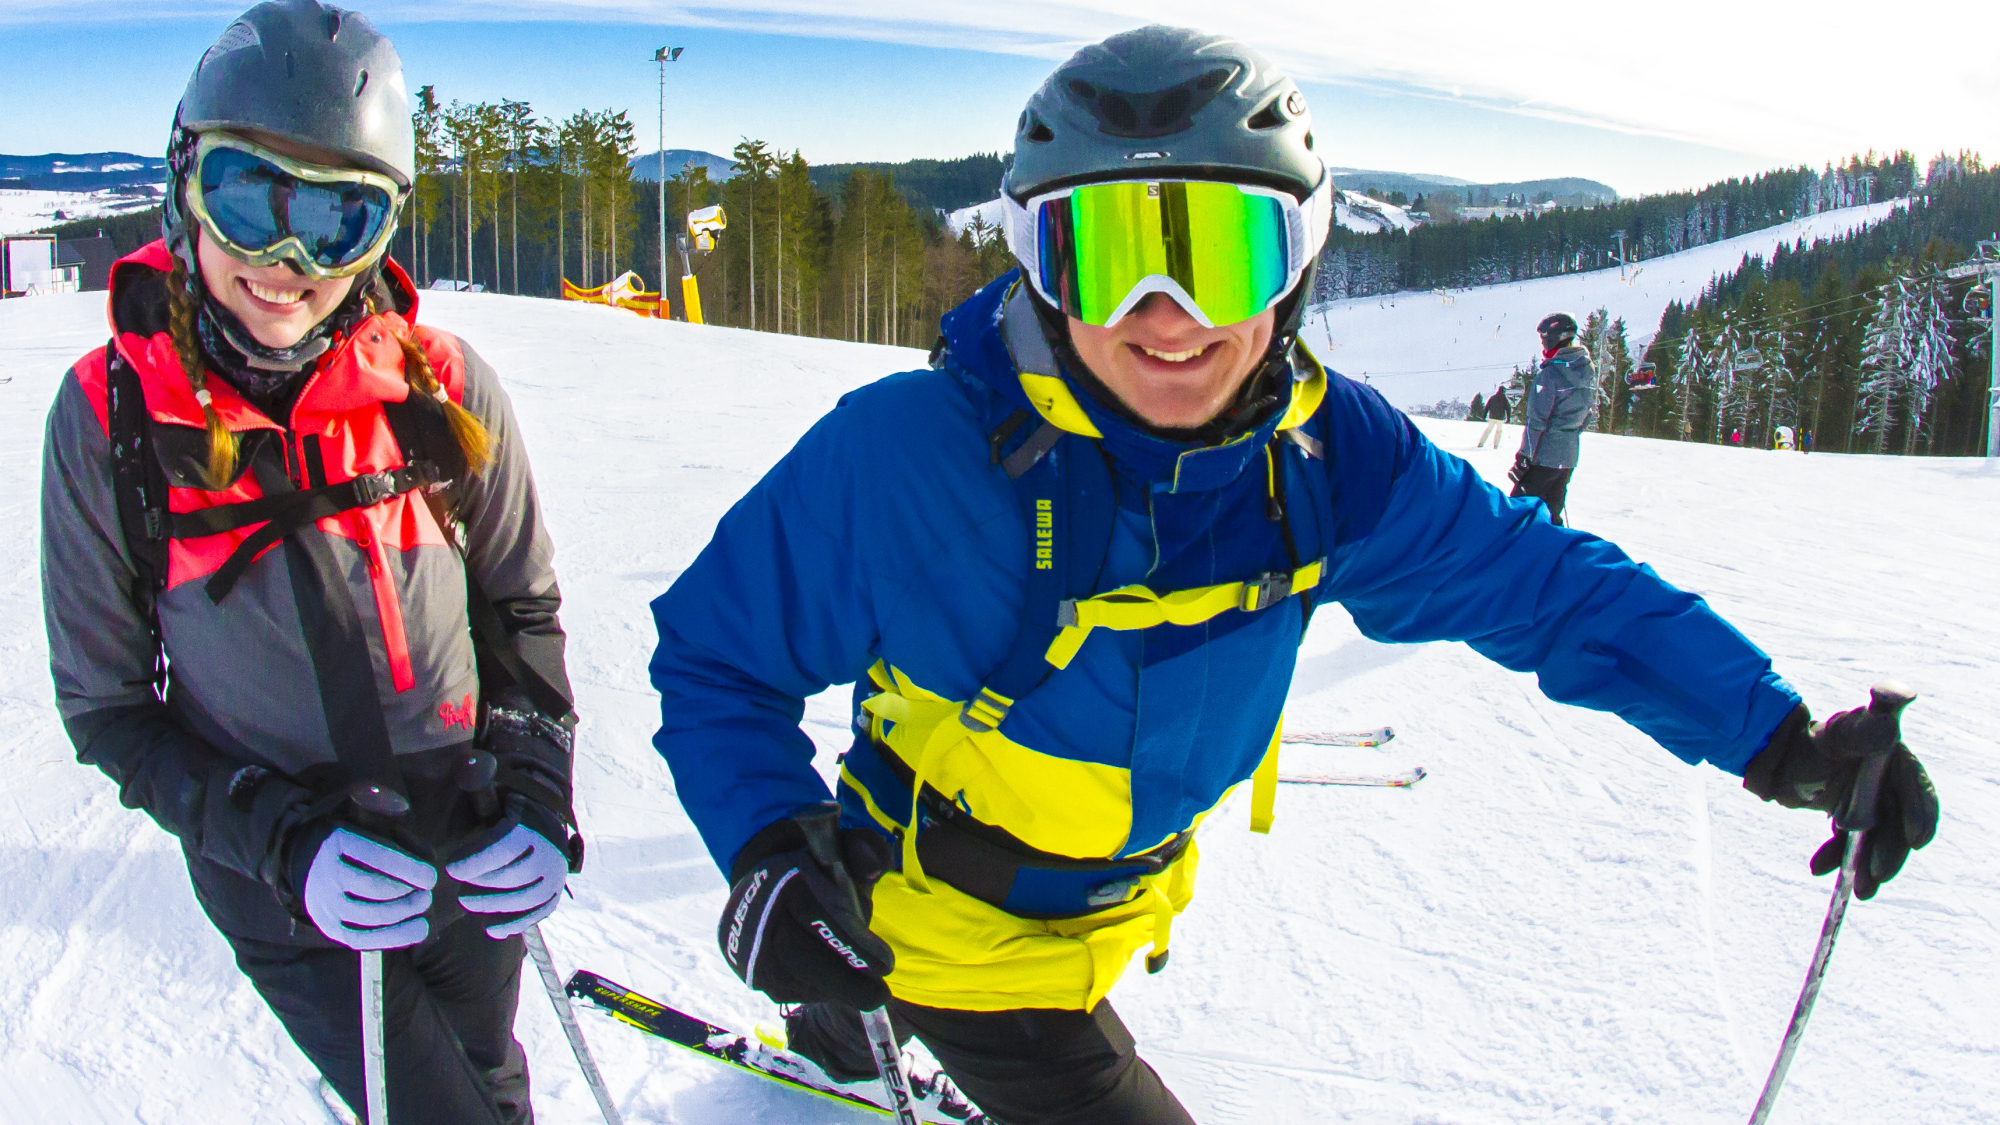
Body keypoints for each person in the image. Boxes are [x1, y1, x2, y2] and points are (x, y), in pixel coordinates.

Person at [647, 26, 1937, 1125]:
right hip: (954, 929)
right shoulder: (908, 457)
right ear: (1037, 270)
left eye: (1222, 254)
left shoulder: (1327, 458)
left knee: (907, 971)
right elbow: (717, 656)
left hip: (1111, 899)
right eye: (1105, 256)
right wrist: (766, 844)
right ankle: (865, 1008)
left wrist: (1774, 737)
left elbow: (1545, 586)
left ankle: (842, 1030)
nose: (1165, 316)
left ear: (1299, 262)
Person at [40, 4, 580, 1121]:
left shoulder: (441, 386)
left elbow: (519, 606)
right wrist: (283, 844)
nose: (286, 264)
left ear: (381, 234)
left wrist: (534, 781)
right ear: (186, 185)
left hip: (468, 849)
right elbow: (108, 711)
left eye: (338, 219)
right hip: (291, 891)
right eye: (249, 198)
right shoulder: (112, 417)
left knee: (489, 1079)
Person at [1509, 313, 1592, 524]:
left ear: (1553, 339)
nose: (1542, 345)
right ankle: (1554, 543)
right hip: (1569, 456)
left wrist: (1524, 457)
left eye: (1543, 339)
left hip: (1544, 457)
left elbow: (1536, 421)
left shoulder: (1549, 375)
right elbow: (1588, 413)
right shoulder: (1585, 370)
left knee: (1519, 512)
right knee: (1551, 512)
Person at [1476, 380, 1511, 447]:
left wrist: (1484, 416)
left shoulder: (1492, 398)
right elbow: (1508, 409)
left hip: (1492, 417)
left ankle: (1481, 443)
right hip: (1500, 418)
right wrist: (1508, 418)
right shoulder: (1505, 399)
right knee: (1499, 431)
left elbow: (1487, 407)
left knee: (1488, 430)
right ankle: (1496, 445)